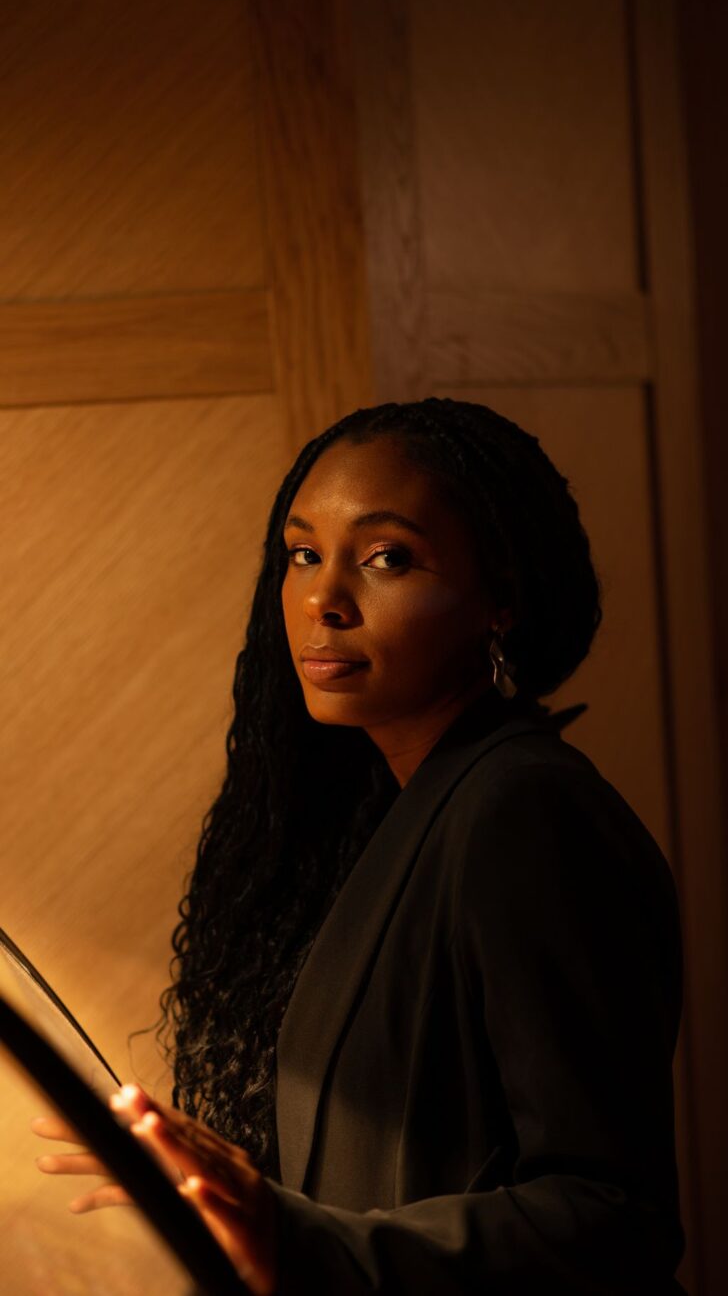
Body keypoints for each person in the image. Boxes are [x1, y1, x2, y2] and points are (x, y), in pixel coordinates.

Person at [34, 397, 687, 1294]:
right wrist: (236, 1196)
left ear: (500, 600)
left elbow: (614, 1213)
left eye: (386, 558)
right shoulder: (396, 818)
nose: (323, 600)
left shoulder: (524, 810)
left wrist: (295, 1235)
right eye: (304, 554)